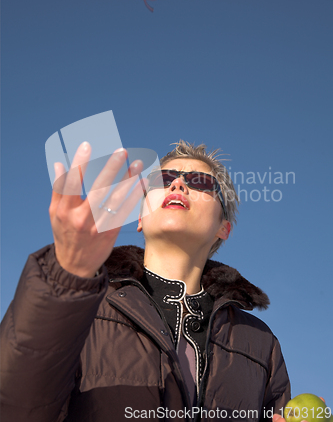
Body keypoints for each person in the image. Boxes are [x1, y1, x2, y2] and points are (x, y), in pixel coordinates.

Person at [0, 139, 291, 422]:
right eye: (163, 179)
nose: (177, 185)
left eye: (200, 182)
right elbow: (14, 405)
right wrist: (66, 277)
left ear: (223, 228)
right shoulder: (82, 303)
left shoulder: (260, 343)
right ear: (140, 218)